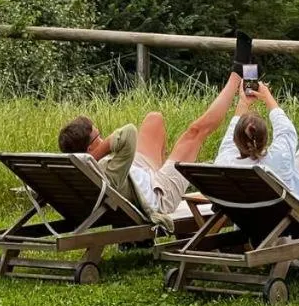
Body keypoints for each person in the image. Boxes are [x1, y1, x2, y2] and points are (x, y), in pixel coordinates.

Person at [58, 72, 241, 220]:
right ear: (90, 149)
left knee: (154, 119)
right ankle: (235, 80)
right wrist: (94, 158)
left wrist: (89, 160)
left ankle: (168, 173)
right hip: (159, 195)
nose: (103, 137)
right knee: (195, 132)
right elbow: (129, 132)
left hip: (136, 175)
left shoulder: (77, 172)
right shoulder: (104, 172)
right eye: (99, 136)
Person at [214, 80, 299, 222]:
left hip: (251, 224)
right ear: (266, 138)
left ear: (235, 141)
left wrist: (243, 102)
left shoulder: (224, 161)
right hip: (292, 224)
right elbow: (286, 130)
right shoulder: (278, 159)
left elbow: (231, 133)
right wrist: (267, 96)